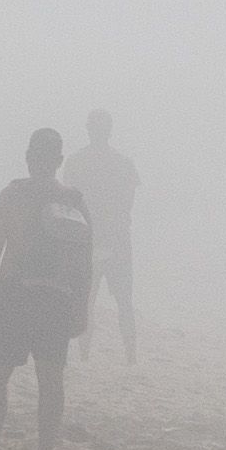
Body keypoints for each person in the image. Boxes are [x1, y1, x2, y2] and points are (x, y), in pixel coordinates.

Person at [0, 129, 94, 450]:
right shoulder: (74, 200)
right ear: (59, 160)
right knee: (51, 378)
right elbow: (85, 261)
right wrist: (81, 307)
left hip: (16, 293)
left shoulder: (13, 195)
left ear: (28, 157)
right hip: (56, 297)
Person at [67, 110, 141, 365]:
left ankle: (92, 355)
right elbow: (127, 204)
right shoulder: (122, 163)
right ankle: (129, 356)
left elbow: (71, 204)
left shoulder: (77, 162)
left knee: (90, 300)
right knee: (117, 301)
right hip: (109, 239)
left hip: (93, 239)